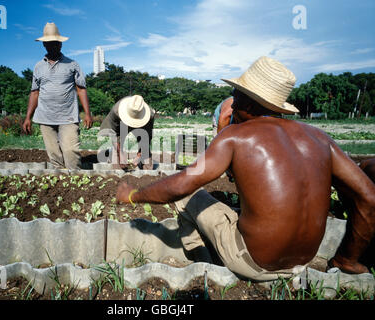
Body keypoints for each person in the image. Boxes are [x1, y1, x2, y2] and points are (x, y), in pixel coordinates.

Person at [116, 56, 375, 281]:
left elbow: (182, 184)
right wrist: (346, 258)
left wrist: (132, 195)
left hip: (255, 264)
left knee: (187, 196)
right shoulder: (321, 138)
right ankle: (347, 264)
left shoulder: (235, 136)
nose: (233, 104)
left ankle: (203, 262)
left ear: (251, 104)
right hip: (303, 261)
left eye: (237, 97)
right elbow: (369, 197)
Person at [22, 22, 93, 169]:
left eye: (55, 43)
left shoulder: (72, 64)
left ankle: (75, 180)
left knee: (70, 151)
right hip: (45, 117)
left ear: (60, 44)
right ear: (44, 45)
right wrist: (28, 117)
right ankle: (61, 183)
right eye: (49, 43)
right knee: (54, 155)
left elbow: (81, 89)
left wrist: (88, 113)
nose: (52, 46)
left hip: (68, 116)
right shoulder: (38, 66)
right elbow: (35, 92)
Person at [98, 95, 155, 170]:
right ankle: (117, 175)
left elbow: (146, 138)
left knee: (146, 153)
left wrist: (139, 155)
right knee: (117, 155)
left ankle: (148, 174)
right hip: (120, 124)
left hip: (142, 128)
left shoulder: (149, 115)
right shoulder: (116, 111)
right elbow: (113, 134)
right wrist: (120, 154)